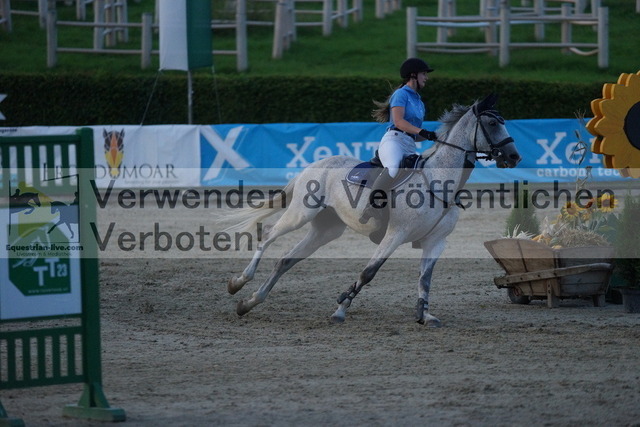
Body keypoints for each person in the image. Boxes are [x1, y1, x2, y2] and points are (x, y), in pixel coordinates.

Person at [360, 57, 438, 224]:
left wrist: (433, 135)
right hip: (394, 141)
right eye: (424, 74)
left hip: (409, 144)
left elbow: (414, 134)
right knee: (393, 167)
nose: (426, 77)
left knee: (421, 173)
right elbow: (399, 122)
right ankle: (372, 205)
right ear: (413, 75)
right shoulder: (401, 94)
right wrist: (422, 131)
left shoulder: (419, 102)